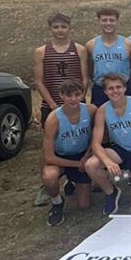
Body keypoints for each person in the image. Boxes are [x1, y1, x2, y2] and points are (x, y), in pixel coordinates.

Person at [32, 12, 89, 207]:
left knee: (79, 138)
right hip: (53, 104)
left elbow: (84, 78)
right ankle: (46, 185)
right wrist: (54, 105)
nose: (60, 30)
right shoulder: (41, 51)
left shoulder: (79, 49)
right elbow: (39, 81)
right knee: (49, 146)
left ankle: (74, 178)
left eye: (63, 27)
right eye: (56, 27)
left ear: (69, 28)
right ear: (50, 29)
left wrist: (80, 99)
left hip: (75, 102)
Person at [85, 73, 131, 214]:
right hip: (120, 150)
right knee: (91, 165)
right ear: (105, 91)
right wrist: (107, 162)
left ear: (125, 88)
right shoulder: (102, 110)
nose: (115, 91)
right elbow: (96, 144)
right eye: (110, 88)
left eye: (118, 87)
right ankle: (111, 192)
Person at [40, 80, 95, 226]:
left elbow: (95, 137)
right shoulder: (53, 119)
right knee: (49, 176)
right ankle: (57, 202)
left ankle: (72, 180)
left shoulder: (90, 110)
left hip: (80, 153)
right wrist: (78, 163)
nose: (73, 99)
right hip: (60, 157)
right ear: (61, 96)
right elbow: (48, 156)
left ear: (83, 94)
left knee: (84, 206)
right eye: (68, 95)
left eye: (77, 95)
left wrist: (87, 156)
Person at [85, 8, 131, 106]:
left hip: (122, 89)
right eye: (104, 20)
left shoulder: (128, 44)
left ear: (117, 21)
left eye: (112, 20)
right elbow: (90, 69)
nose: (108, 23)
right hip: (100, 90)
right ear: (99, 21)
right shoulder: (91, 45)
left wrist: (124, 82)